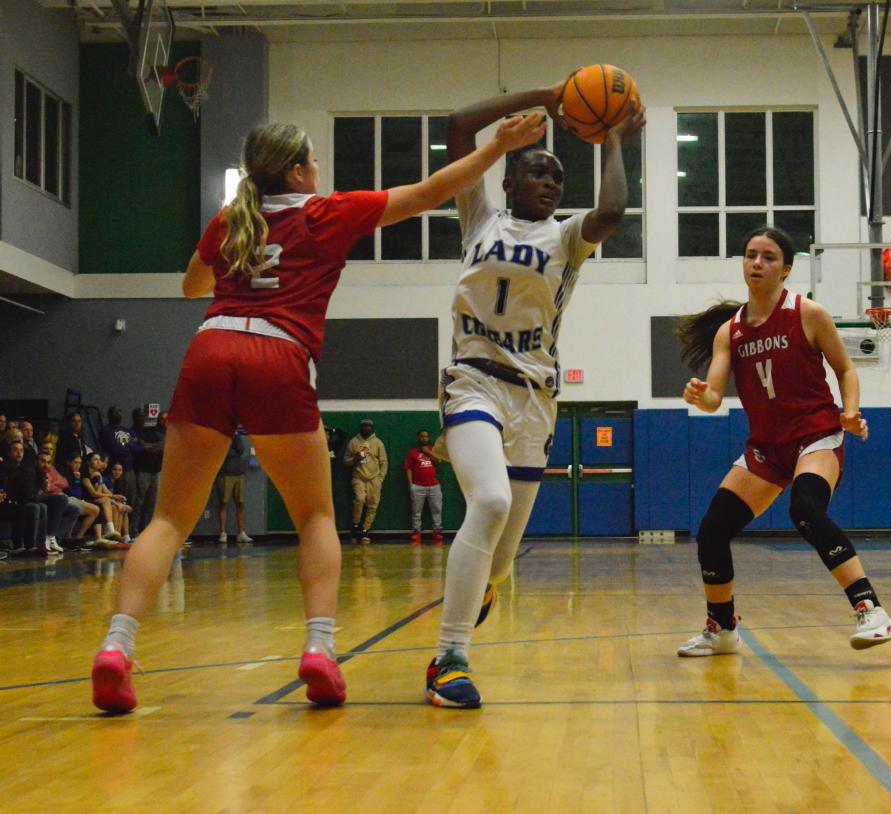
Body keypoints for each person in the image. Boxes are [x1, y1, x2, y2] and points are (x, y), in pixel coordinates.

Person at [89, 115, 547, 714]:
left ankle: (117, 647)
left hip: (211, 347)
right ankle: (319, 651)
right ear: (300, 170)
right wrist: (499, 147)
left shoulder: (232, 220)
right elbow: (433, 191)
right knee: (313, 516)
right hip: (278, 354)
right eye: (314, 162)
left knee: (170, 519)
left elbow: (191, 286)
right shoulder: (324, 211)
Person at [425, 85, 645, 708]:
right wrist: (546, 97)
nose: (549, 182)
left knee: (500, 560)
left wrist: (614, 141)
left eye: (557, 175)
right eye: (537, 171)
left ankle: (482, 584)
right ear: (510, 179)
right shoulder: (480, 216)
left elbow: (614, 211)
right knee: (489, 501)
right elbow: (458, 120)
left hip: (535, 399)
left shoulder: (570, 235)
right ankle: (450, 659)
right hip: (473, 378)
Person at [674, 225, 891, 657]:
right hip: (767, 449)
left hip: (816, 436)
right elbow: (716, 395)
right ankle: (722, 630)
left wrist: (849, 413)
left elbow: (846, 370)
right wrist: (702, 397)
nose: (756, 263)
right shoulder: (731, 331)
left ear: (786, 269)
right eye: (750, 255)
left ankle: (871, 610)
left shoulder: (807, 313)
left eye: (768, 257)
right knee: (712, 531)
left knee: (806, 509)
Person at [343, 419, 388, 544]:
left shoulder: (378, 443)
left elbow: (384, 462)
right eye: (364, 426)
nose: (366, 428)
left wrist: (380, 478)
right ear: (360, 428)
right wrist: (355, 459)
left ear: (372, 428)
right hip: (359, 477)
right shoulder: (353, 442)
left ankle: (365, 530)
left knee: (372, 504)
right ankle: (355, 526)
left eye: (369, 426)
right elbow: (346, 461)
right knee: (360, 499)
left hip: (374, 478)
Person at [403, 430, 443, 544]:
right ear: (418, 438)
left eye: (426, 436)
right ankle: (416, 532)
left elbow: (439, 460)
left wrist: (428, 453)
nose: (424, 438)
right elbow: (408, 469)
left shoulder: (433, 450)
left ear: (429, 438)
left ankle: (437, 532)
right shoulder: (412, 453)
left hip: (434, 486)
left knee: (437, 509)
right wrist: (411, 485)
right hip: (418, 487)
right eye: (422, 436)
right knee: (416, 511)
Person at [216, 431, 253, 545]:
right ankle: (222, 532)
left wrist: (234, 438)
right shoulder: (220, 435)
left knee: (240, 503)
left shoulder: (235, 436)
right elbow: (224, 452)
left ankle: (241, 532)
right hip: (225, 474)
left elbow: (241, 449)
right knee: (224, 502)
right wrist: (233, 450)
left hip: (238, 472)